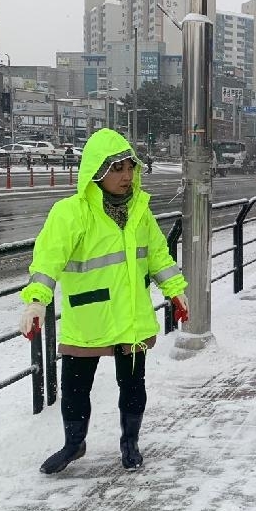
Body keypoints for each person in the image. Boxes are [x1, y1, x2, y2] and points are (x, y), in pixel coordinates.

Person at [19, 128, 189, 474]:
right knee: (76, 388)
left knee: (133, 386)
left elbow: (158, 254)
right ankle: (74, 443)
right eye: (117, 169)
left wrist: (175, 290)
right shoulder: (71, 212)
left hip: (131, 318)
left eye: (130, 167)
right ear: (97, 171)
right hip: (89, 317)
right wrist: (36, 300)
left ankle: (130, 443)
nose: (126, 176)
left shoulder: (140, 209)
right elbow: (48, 259)